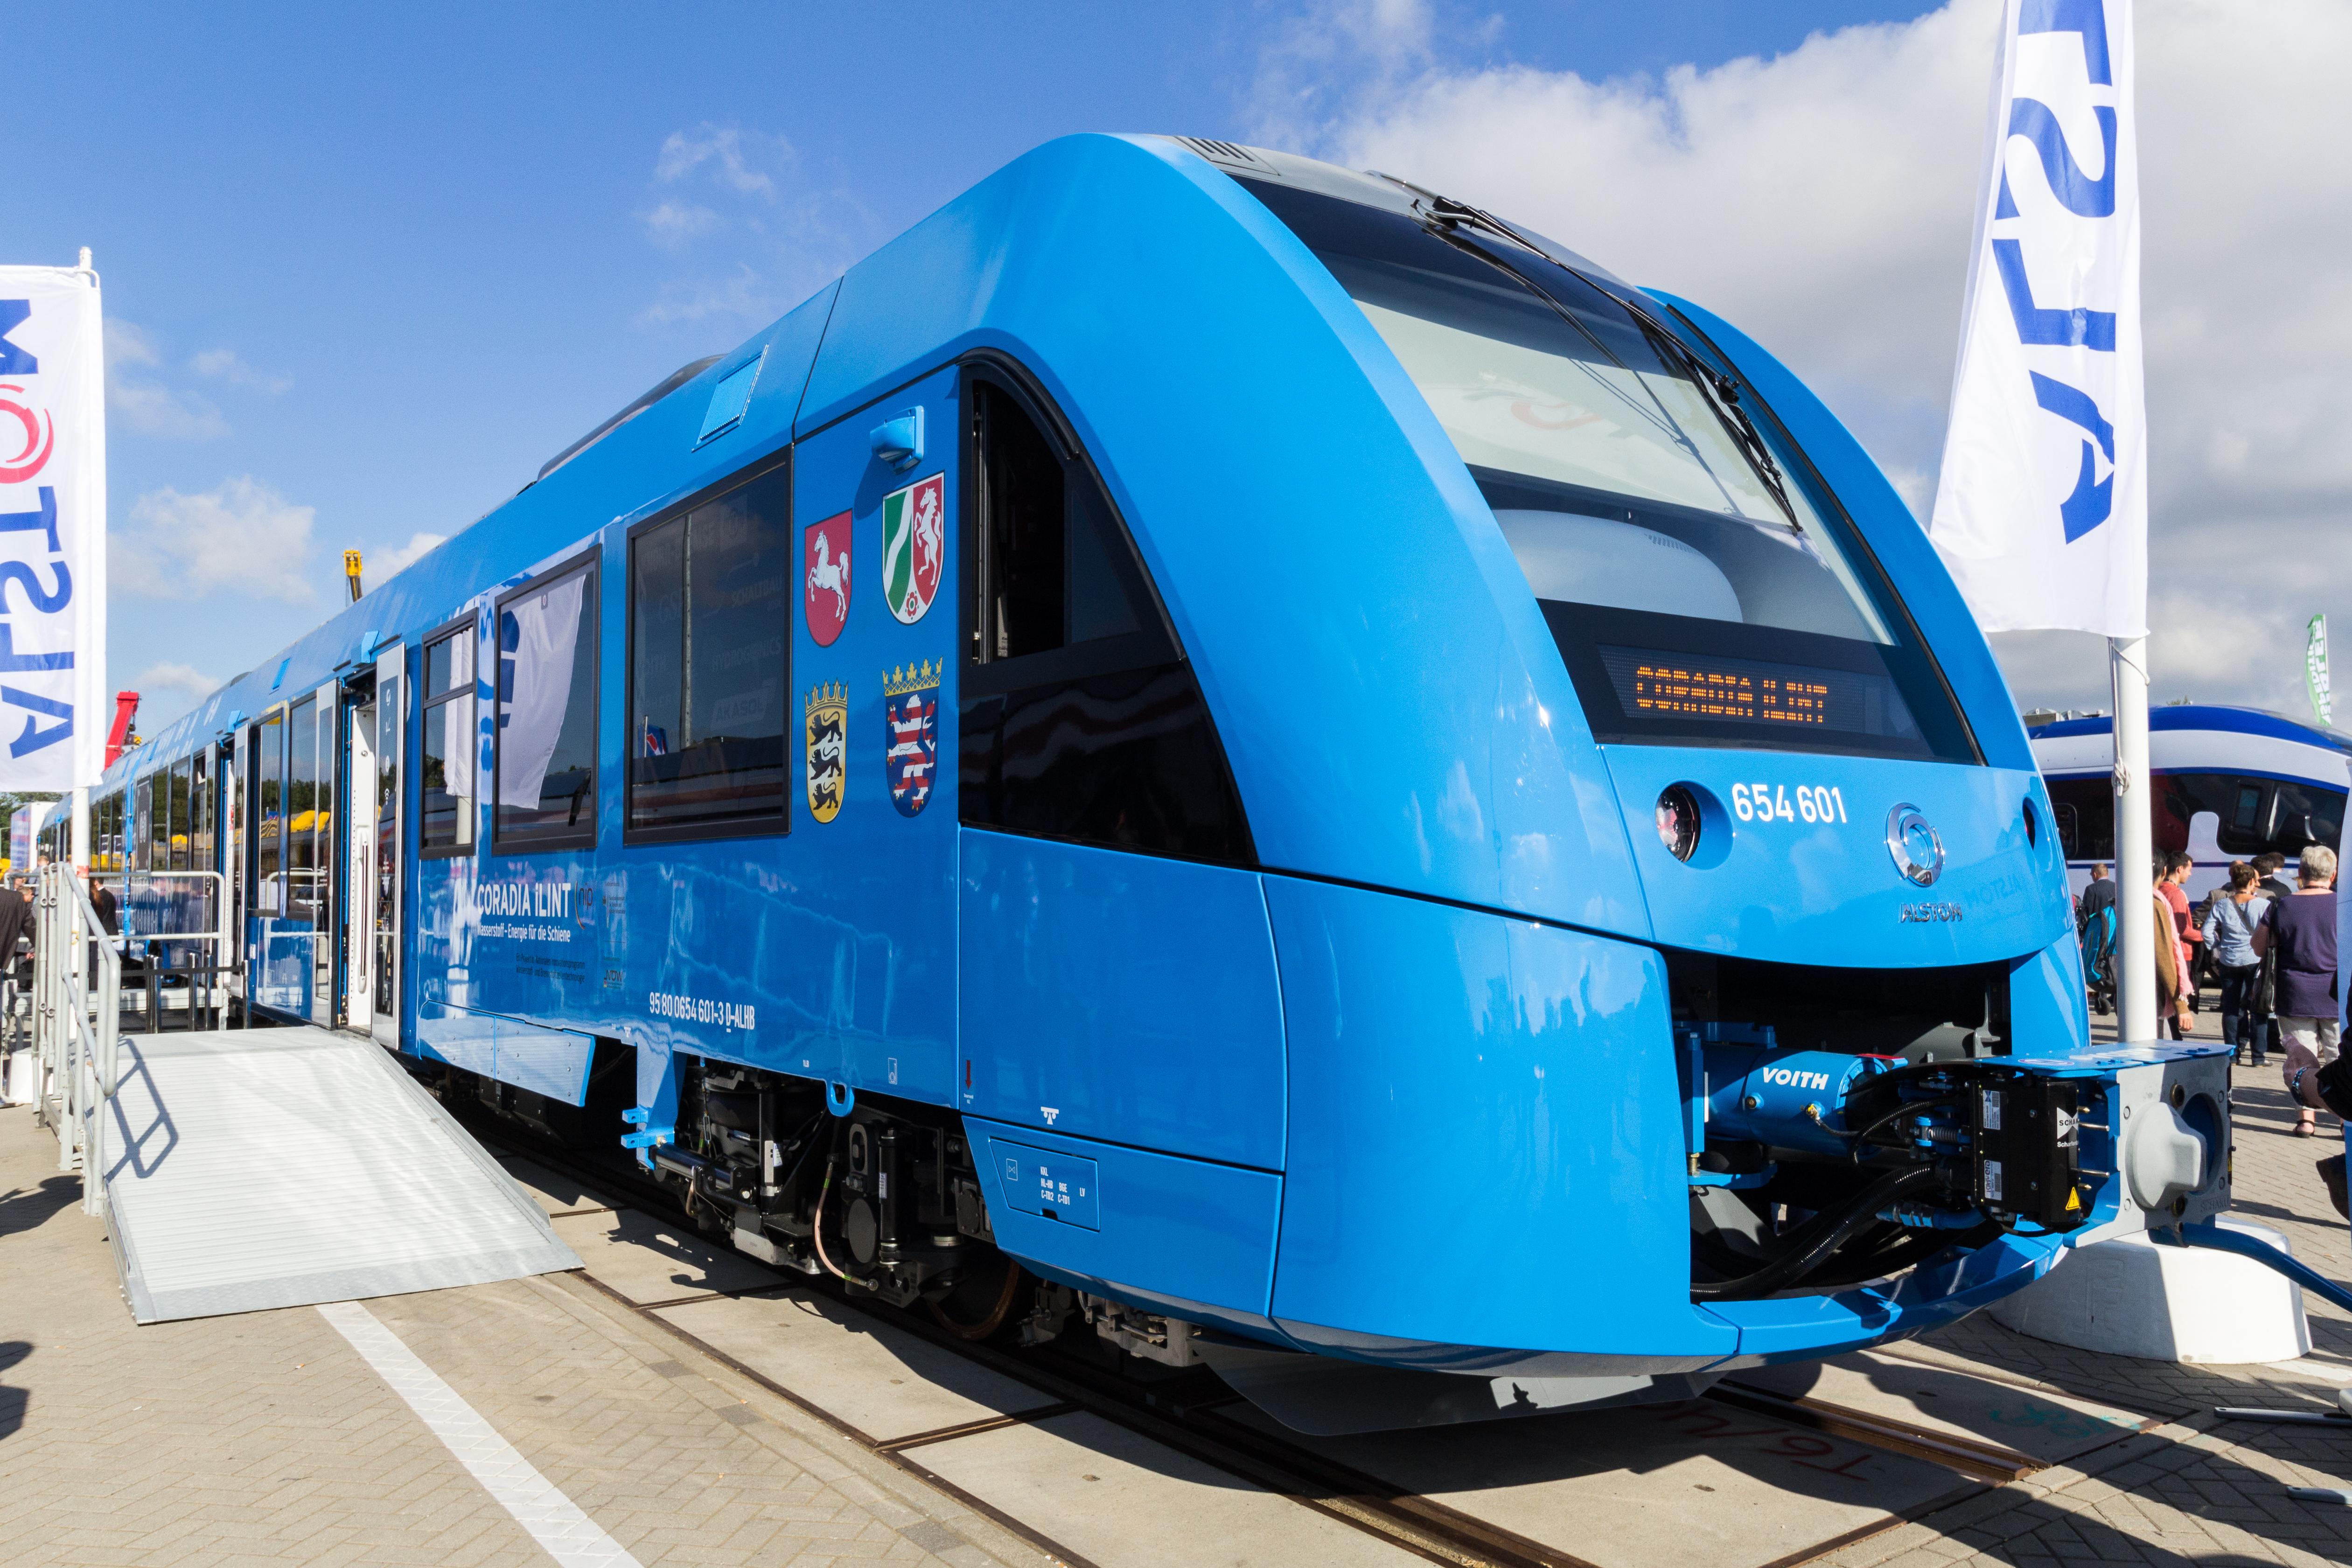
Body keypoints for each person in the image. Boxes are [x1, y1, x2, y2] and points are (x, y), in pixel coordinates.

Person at [2252, 844, 2340, 1137]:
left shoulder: (2281, 905)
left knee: (2302, 1057)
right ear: (2334, 874)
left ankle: (2307, 1120)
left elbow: (2258, 947)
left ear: (2300, 874)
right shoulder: (2344, 904)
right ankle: (2344, 1120)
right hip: (2336, 994)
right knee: (2339, 1056)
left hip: (2294, 993)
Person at [2202, 862, 2269, 1065]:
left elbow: (2206, 931)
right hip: (2255, 960)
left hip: (2229, 961)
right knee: (2258, 1007)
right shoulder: (2263, 905)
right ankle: (2258, 1057)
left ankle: (2232, 1055)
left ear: (2232, 882)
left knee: (2231, 1008)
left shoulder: (2222, 904)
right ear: (2251, 882)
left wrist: (2218, 947)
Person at [2148, 858, 2183, 1039]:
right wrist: (2181, 1006)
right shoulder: (2155, 904)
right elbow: (2164, 956)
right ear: (2164, 871)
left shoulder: (2126, 896)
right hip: (2152, 988)